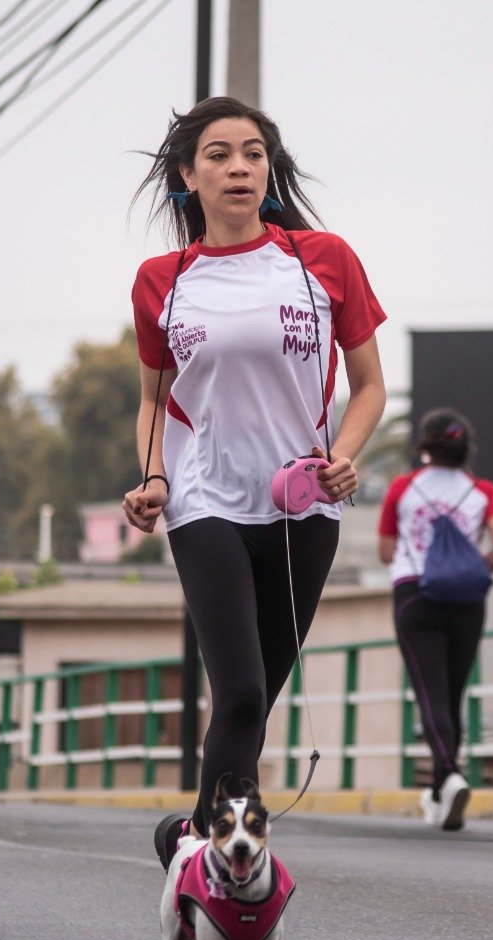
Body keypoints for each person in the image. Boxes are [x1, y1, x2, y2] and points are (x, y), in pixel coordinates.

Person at [124, 95, 387, 864]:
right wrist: (153, 478)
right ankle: (225, 873)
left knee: (256, 698)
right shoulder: (160, 280)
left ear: (268, 171)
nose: (238, 167)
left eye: (252, 153)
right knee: (238, 690)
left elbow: (370, 385)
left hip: (303, 505)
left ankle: (190, 837)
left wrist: (347, 453)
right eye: (217, 154)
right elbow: (151, 398)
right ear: (187, 175)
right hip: (205, 500)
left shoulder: (323, 260)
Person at [378, 410, 493, 830]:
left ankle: (449, 773)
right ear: (464, 448)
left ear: (424, 447)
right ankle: (443, 786)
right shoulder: (483, 490)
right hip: (466, 598)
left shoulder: (403, 488)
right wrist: (488, 560)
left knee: (430, 693)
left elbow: (386, 553)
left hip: (415, 595)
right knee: (453, 694)